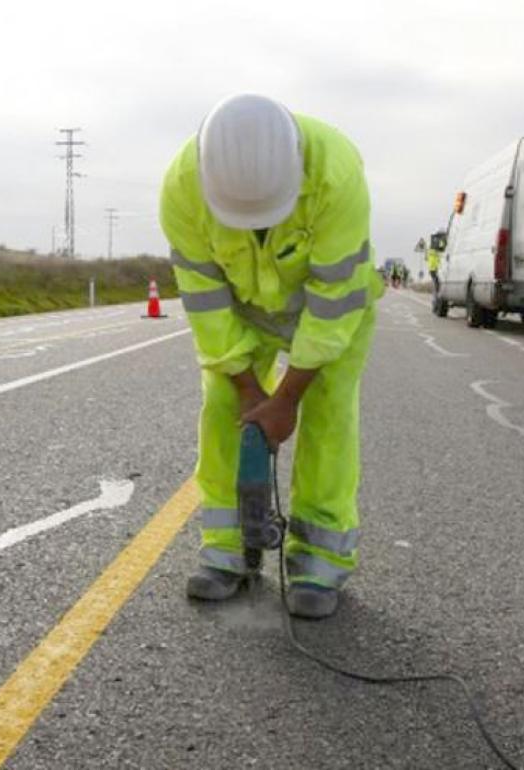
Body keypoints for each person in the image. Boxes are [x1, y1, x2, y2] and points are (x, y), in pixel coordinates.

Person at [160, 94, 381, 619]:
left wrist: (286, 398)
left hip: (327, 307)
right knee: (222, 410)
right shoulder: (181, 189)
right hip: (242, 307)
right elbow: (206, 302)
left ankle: (319, 558)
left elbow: (333, 303)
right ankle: (228, 548)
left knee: (328, 414)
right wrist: (249, 391)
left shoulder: (336, 173)